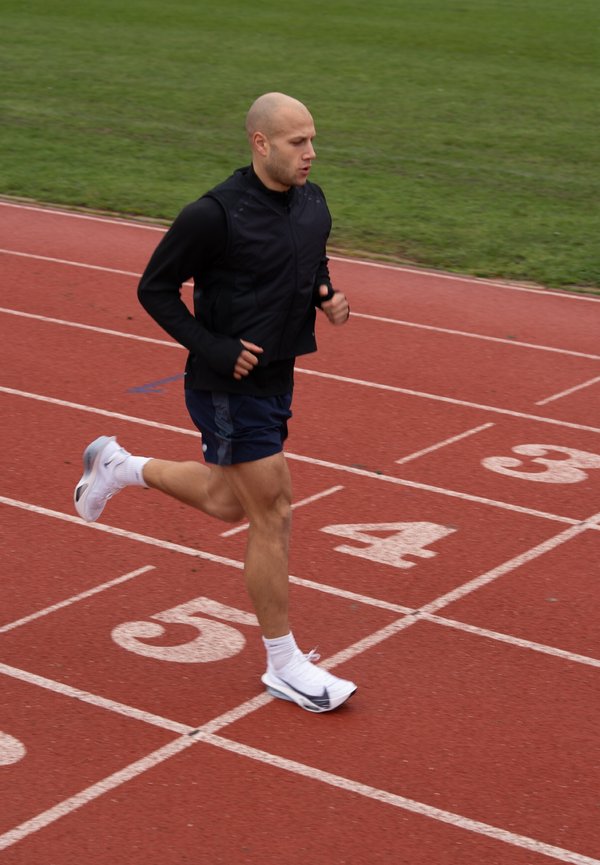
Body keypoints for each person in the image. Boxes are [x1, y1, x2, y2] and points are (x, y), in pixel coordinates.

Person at [74, 92, 357, 713]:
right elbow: (154, 288)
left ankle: (119, 466)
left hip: (278, 377)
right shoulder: (214, 214)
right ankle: (283, 663)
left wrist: (327, 295)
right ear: (260, 143)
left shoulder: (313, 202)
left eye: (313, 140)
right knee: (274, 511)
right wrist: (215, 347)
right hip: (226, 384)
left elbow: (309, 261)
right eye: (296, 142)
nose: (310, 153)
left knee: (229, 502)